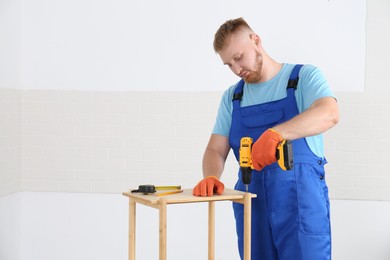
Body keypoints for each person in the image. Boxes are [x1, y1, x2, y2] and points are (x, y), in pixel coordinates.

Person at [192, 17, 339, 260]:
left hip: (301, 207)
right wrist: (210, 176)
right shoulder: (233, 97)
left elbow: (329, 113)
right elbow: (215, 150)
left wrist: (277, 133)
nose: (237, 69)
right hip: (253, 209)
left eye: (238, 58)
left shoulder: (303, 78)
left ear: (256, 40)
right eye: (229, 64)